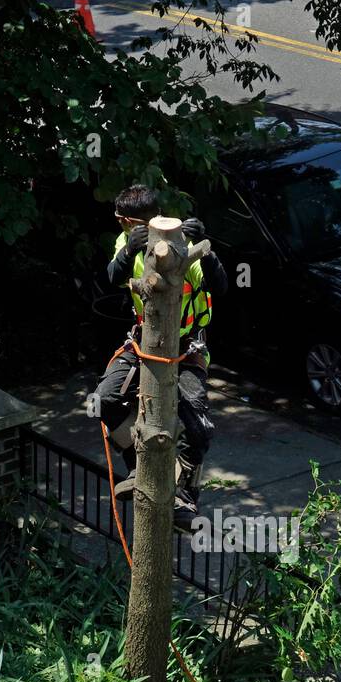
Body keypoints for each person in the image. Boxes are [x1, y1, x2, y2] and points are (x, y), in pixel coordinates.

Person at [96, 184, 228, 530]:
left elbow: (221, 286)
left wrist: (207, 251)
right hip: (145, 344)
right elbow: (112, 277)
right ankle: (137, 462)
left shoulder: (180, 243)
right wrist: (129, 253)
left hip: (186, 349)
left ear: (127, 219)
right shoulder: (129, 243)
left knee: (197, 428)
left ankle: (184, 494)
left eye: (121, 221)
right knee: (104, 401)